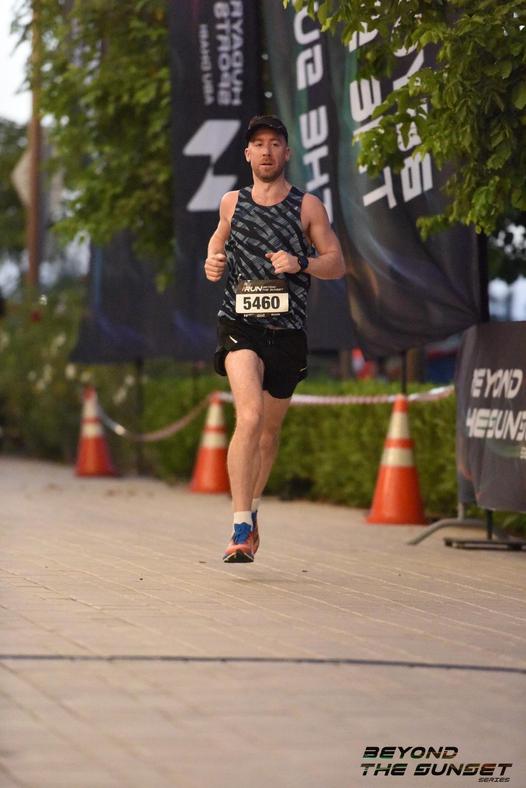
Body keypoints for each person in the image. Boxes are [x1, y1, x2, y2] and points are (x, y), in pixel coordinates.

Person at [204, 115, 345, 563]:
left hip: (287, 332)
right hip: (239, 323)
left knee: (268, 432)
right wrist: (213, 260)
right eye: (258, 144)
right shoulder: (232, 202)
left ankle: (253, 509)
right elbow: (218, 240)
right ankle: (239, 528)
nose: (266, 151)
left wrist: (301, 263)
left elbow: (336, 262)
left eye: (274, 143)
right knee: (248, 416)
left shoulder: (308, 207)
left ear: (287, 152)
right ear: (247, 154)